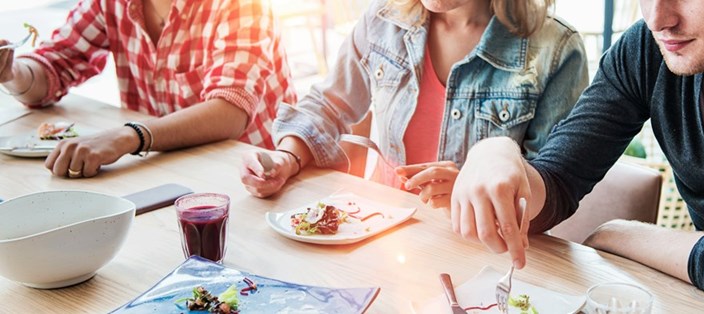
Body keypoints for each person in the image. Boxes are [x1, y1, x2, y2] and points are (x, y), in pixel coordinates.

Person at [450, 0, 704, 310]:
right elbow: (556, 183)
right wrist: (497, 155)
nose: (658, 19)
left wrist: (618, 234)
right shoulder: (648, 51)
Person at [239, 0, 588, 206]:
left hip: (483, 251)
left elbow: (552, 184)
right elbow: (328, 106)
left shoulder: (555, 48)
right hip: (382, 228)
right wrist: (286, 156)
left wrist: (478, 184)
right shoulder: (383, 19)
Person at [0, 0, 296, 178]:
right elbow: (54, 66)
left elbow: (230, 111)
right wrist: (12, 72)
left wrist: (128, 136)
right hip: (165, 167)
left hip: (253, 178)